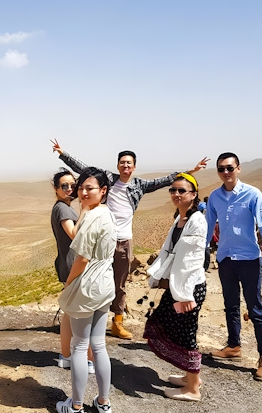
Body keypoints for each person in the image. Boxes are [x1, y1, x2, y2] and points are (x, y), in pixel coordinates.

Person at [52, 138, 208, 339]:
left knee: (120, 282)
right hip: (102, 239)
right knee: (94, 277)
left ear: (134, 166)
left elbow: (165, 180)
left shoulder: (139, 185)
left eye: (129, 163)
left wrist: (191, 172)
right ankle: (88, 318)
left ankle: (117, 322)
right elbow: (84, 169)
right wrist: (62, 153)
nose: (125, 165)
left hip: (124, 240)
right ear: (117, 165)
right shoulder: (108, 179)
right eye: (122, 162)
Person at [205, 152, 262, 381]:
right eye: (221, 169)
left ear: (238, 169)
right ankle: (234, 346)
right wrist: (202, 253)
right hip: (226, 258)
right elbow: (208, 227)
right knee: (230, 306)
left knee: (255, 309)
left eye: (229, 168)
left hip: (249, 259)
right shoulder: (215, 197)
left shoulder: (252, 194)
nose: (225, 173)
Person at [56, 167, 116, 413]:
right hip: (105, 282)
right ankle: (104, 403)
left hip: (89, 284)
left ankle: (77, 406)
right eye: (81, 188)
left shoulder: (91, 217)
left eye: (89, 188)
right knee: (99, 345)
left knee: (80, 346)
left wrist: (70, 283)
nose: (82, 192)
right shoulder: (106, 213)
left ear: (103, 190)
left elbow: (81, 259)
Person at [144, 173, 207, 402]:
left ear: (193, 195)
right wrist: (156, 275)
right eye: (173, 190)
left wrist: (182, 295)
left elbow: (188, 263)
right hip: (179, 287)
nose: (176, 194)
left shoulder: (197, 221)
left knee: (187, 334)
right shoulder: (180, 219)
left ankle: (193, 389)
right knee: (173, 327)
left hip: (187, 290)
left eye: (182, 190)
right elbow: (169, 252)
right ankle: (191, 377)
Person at [49, 168, 95, 375]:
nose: (69, 189)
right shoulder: (63, 209)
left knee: (69, 313)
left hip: (68, 264)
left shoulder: (64, 206)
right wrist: (85, 207)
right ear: (56, 189)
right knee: (83, 313)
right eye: (64, 186)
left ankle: (67, 356)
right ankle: (88, 359)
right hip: (73, 265)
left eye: (72, 185)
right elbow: (74, 234)